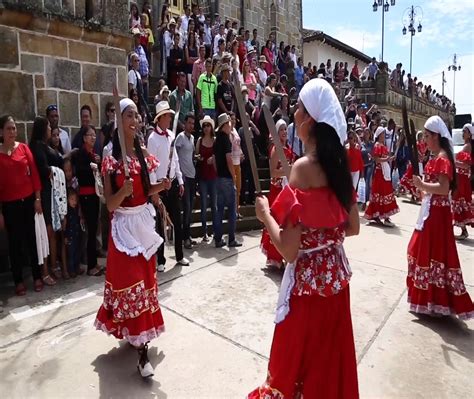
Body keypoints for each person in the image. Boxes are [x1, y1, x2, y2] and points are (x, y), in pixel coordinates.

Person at [249, 78, 359, 398]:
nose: (294, 114)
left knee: (295, 366)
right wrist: (325, 237)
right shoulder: (339, 165)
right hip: (337, 283)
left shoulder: (301, 169)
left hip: (308, 289)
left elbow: (289, 251)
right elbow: (352, 227)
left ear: (309, 119)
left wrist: (265, 214)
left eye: (298, 108)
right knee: (328, 366)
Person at [95, 97, 172, 378]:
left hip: (142, 222)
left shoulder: (141, 152)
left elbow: (146, 190)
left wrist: (159, 187)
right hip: (122, 227)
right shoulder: (110, 157)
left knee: (146, 282)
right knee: (132, 284)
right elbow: (110, 205)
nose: (135, 119)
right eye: (129, 115)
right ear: (119, 121)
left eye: (137, 115)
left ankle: (141, 344)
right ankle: (141, 354)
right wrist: (121, 192)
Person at [407, 116, 473, 320]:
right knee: (420, 251)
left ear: (436, 136)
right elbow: (433, 188)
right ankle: (432, 301)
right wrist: (423, 191)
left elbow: (444, 188)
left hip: (437, 215)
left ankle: (434, 301)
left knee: (426, 252)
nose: (425, 140)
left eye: (427, 136)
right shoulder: (437, 156)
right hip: (431, 211)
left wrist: (422, 186)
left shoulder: (443, 158)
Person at [0, 115, 44, 295]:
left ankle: (37, 276)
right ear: (1, 132)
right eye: (9, 129)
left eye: (14, 128)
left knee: (31, 240)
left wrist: (38, 198)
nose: (12, 132)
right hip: (9, 206)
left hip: (27, 203)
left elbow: (34, 175)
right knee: (14, 243)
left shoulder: (24, 149)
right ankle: (18, 280)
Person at [147, 101, 190, 272]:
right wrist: (154, 191)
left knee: (177, 222)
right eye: (167, 116)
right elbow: (150, 166)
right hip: (159, 185)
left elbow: (176, 161)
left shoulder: (171, 136)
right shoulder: (152, 139)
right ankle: (161, 260)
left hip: (171, 184)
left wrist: (179, 180)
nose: (170, 118)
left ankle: (179, 256)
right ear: (160, 118)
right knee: (160, 226)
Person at [29, 116, 65, 283]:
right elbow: (44, 170)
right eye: (49, 127)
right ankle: (44, 271)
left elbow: (58, 158)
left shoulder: (44, 146)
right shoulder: (37, 147)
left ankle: (52, 266)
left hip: (49, 194)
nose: (51, 129)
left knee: (51, 232)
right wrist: (53, 170)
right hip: (42, 195)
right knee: (45, 233)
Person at [260, 119, 296, 269]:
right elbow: (273, 172)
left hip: (287, 189)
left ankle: (285, 256)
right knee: (277, 221)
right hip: (277, 190)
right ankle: (276, 256)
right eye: (281, 130)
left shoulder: (288, 148)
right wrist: (288, 170)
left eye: (285, 130)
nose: (284, 133)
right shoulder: (276, 149)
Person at [74, 125, 102, 276]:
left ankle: (94, 263)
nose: (93, 137)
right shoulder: (81, 153)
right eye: (90, 135)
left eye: (94, 135)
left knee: (93, 229)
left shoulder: (92, 153)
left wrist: (97, 162)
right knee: (90, 231)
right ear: (84, 137)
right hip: (86, 195)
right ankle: (90, 266)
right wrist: (93, 166)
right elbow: (81, 172)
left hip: (94, 195)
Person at [213, 113, 242, 248]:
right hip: (227, 178)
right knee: (231, 209)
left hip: (218, 178)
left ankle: (218, 239)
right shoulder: (225, 139)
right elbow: (229, 159)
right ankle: (231, 239)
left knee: (219, 210)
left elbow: (214, 161)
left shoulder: (216, 140)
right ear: (224, 125)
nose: (231, 125)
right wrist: (233, 176)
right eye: (229, 123)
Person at [364, 126, 399, 227]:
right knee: (381, 192)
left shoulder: (383, 146)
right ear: (379, 135)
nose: (384, 136)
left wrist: (390, 159)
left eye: (384, 134)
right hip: (380, 173)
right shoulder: (377, 145)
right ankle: (381, 216)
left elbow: (384, 158)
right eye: (383, 134)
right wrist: (387, 159)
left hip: (385, 172)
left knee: (385, 192)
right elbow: (377, 159)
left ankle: (382, 215)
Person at [175, 113, 197, 250]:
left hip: (192, 175)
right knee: (187, 208)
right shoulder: (180, 138)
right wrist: (179, 174)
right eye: (189, 123)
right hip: (183, 177)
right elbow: (175, 155)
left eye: (193, 123)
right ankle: (185, 238)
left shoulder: (193, 138)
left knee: (190, 208)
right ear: (185, 123)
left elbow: (191, 155)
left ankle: (187, 236)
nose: (191, 125)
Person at [195, 115, 218, 242]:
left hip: (213, 175)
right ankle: (204, 232)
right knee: (204, 205)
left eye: (208, 125)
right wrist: (199, 158)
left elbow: (218, 156)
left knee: (214, 205)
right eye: (204, 126)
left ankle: (215, 230)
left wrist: (213, 159)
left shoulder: (215, 140)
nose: (206, 128)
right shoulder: (199, 140)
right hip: (203, 175)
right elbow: (196, 155)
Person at [451, 123, 474, 239]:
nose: (462, 133)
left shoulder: (468, 146)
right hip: (460, 178)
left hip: (462, 179)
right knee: (459, 202)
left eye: (465, 131)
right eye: (463, 131)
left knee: (459, 201)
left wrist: (453, 162)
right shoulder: (467, 145)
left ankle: (463, 230)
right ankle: (463, 230)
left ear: (469, 134)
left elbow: (466, 166)